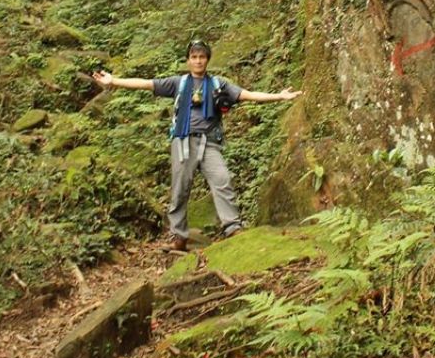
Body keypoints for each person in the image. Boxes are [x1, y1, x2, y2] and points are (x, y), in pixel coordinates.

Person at [91, 39, 302, 252]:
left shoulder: (219, 84)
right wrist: (114, 81)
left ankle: (233, 228)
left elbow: (247, 95)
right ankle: (179, 236)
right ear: (188, 60)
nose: (198, 61)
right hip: (183, 141)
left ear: (207, 59)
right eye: (194, 57)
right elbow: (147, 83)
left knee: (222, 179)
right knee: (180, 189)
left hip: (210, 142)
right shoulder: (178, 83)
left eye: (202, 57)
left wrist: (279, 96)